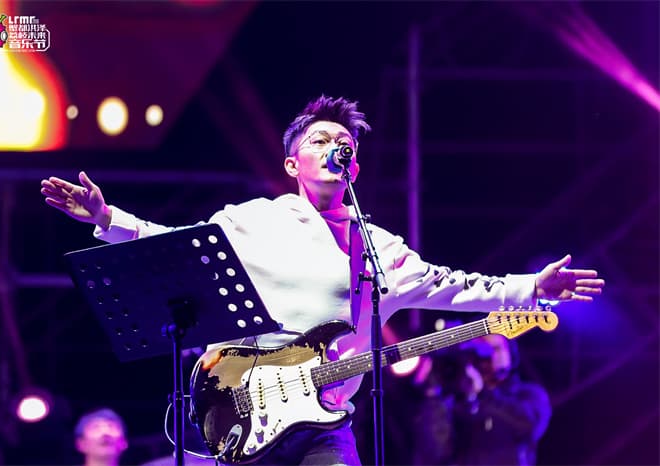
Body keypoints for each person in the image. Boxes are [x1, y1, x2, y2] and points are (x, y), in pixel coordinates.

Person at [41, 95, 603, 465]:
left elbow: (455, 285)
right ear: (292, 165)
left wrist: (533, 287)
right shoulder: (254, 220)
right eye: (319, 140)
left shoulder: (379, 247)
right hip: (246, 406)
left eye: (345, 145)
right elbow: (175, 246)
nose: (335, 147)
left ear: (353, 167)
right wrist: (106, 218)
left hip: (326, 421)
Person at [411, 334, 551, 465]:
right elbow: (435, 453)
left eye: (495, 348)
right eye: (481, 350)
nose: (489, 356)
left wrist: (483, 393)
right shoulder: (454, 402)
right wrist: (433, 395)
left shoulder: (527, 394)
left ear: (510, 354)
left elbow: (528, 426)